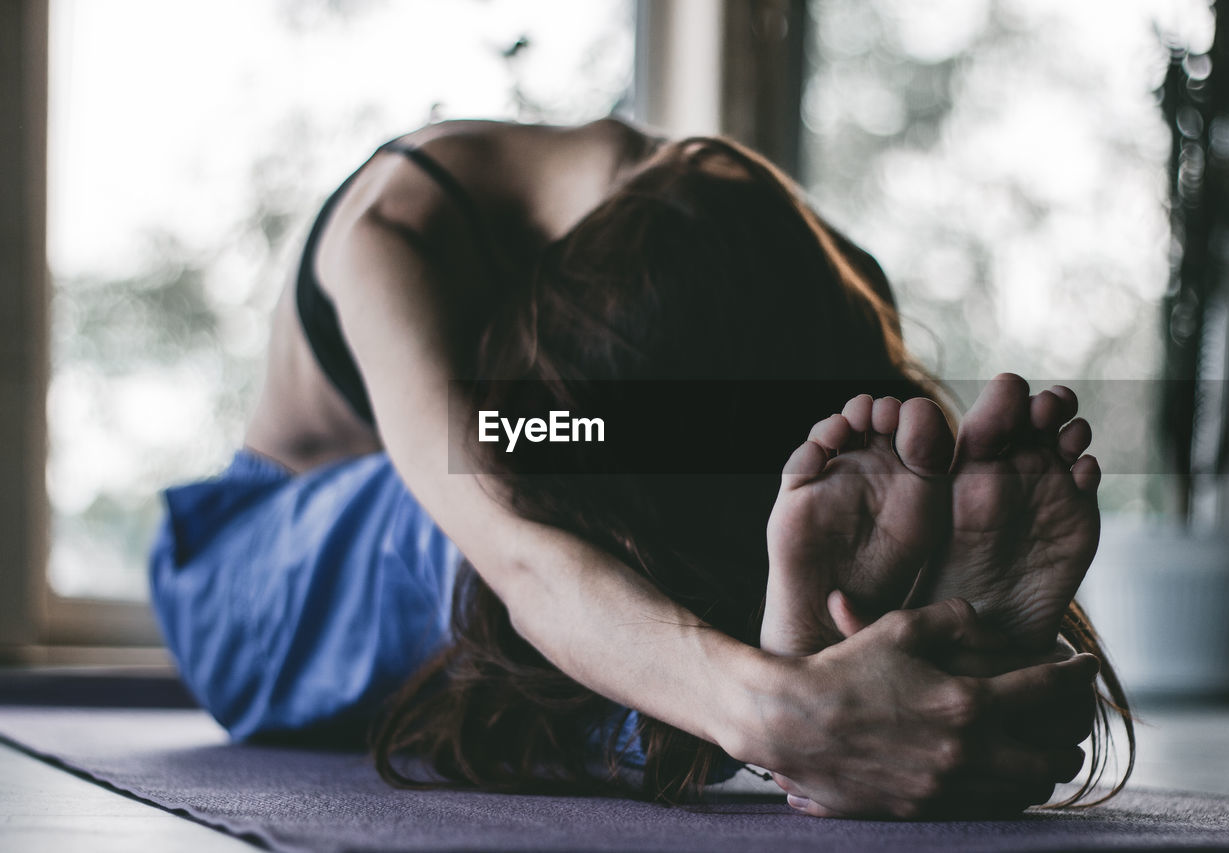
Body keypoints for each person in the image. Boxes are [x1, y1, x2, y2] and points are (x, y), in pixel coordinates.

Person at [148, 117, 1131, 820]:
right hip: (247, 586)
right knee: (476, 498)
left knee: (810, 468)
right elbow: (517, 551)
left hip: (540, 527)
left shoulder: (743, 247)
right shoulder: (392, 236)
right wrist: (783, 711)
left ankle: (886, 633)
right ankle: (806, 653)